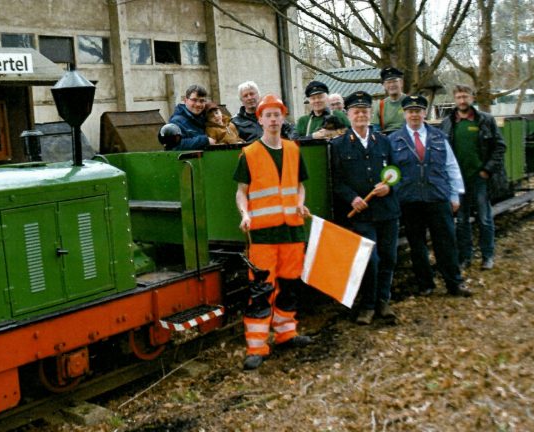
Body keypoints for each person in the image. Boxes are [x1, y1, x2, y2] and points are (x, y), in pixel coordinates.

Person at [234, 93, 312, 370]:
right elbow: (241, 192)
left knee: (290, 285)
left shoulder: (293, 149)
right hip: (264, 234)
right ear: (261, 119)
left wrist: (301, 204)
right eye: (268, 115)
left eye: (277, 114)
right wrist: (246, 214)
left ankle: (286, 334)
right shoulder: (250, 153)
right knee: (261, 289)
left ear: (283, 117)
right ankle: (256, 347)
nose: (274, 119)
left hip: (292, 231)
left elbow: (300, 186)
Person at [388, 95, 472, 297]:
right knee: (417, 246)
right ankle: (425, 284)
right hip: (410, 200)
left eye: (418, 111)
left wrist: (454, 195)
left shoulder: (438, 136)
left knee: (446, 243)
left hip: (437, 197)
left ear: (424, 113)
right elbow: (389, 172)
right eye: (410, 111)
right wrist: (398, 193)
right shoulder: (393, 140)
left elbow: (451, 166)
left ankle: (455, 283)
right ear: (404, 113)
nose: (414, 115)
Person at [330, 91, 400, 324]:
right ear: (348, 114)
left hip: (387, 211)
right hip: (362, 214)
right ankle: (368, 305)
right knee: (371, 260)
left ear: (371, 114)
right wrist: (352, 198)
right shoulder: (339, 145)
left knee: (388, 258)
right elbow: (336, 181)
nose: (361, 115)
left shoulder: (384, 141)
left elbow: (396, 173)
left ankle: (383, 301)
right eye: (356, 111)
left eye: (365, 111)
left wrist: (389, 188)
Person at [439, 84, 506, 270]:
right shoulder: (448, 123)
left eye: (465, 96)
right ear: (455, 99)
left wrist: (487, 170)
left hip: (480, 178)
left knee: (484, 219)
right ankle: (465, 258)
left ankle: (487, 256)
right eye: (459, 97)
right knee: (461, 222)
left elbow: (500, 147)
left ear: (472, 98)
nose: (462, 100)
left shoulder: (485, 120)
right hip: (457, 182)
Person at [168, 84, 216, 150]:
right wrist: (205, 141)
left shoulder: (206, 118)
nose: (198, 104)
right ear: (185, 100)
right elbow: (175, 146)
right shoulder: (176, 122)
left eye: (202, 101)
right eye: (194, 100)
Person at [372, 67, 407, 134]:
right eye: (388, 82)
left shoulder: (409, 101)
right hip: (387, 139)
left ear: (401, 83)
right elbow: (376, 129)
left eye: (394, 81)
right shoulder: (381, 105)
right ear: (384, 85)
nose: (392, 85)